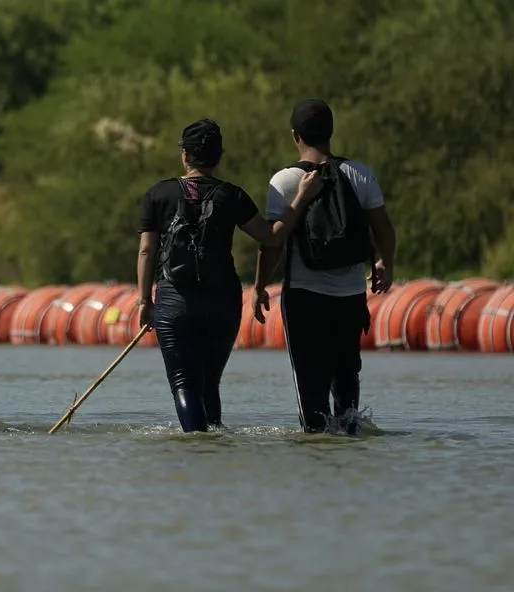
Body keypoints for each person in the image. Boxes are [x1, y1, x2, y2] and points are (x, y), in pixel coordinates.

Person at [137, 118, 322, 433]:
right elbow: (271, 236)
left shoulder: (158, 194)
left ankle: (196, 444)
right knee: (210, 383)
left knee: (185, 383)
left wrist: (144, 300)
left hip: (174, 300)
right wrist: (301, 197)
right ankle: (214, 444)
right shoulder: (231, 196)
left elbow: (146, 251)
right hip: (223, 301)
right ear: (218, 157)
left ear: (185, 155)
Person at [253, 99, 396, 435]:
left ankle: (318, 459)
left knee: (310, 392)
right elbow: (384, 228)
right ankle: (349, 448)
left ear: (295, 135)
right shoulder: (359, 174)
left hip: (305, 297)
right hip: (349, 296)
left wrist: (259, 286)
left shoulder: (286, 181)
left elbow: (273, 243)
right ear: (330, 132)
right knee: (347, 384)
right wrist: (384, 264)